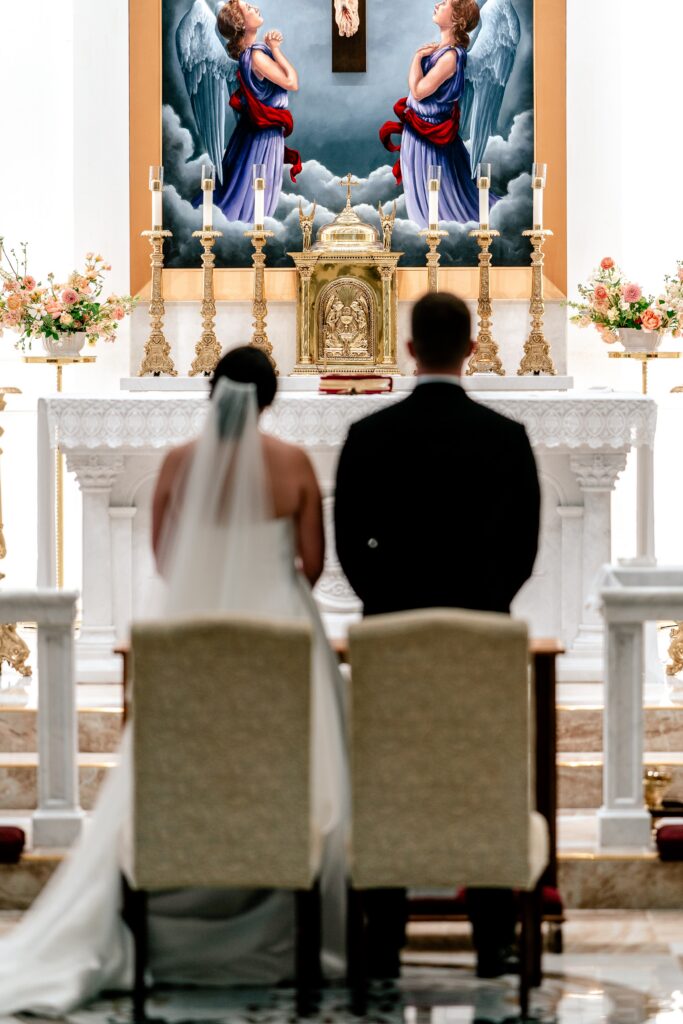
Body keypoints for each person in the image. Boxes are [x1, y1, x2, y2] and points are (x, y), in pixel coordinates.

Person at [0, 347, 348, 1015]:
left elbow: (167, 561)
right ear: (269, 399)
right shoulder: (295, 466)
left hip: (191, 640)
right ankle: (289, 916)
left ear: (212, 393)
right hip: (282, 637)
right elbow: (311, 564)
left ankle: (167, 895)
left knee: (187, 765)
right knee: (291, 769)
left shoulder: (177, 465)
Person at [334, 291, 541, 978]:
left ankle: (384, 936)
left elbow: (349, 543)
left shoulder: (368, 436)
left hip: (390, 630)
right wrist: (485, 604)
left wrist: (387, 605)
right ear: (472, 350)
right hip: (481, 629)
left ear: (408, 350)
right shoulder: (505, 438)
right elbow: (523, 544)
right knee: (483, 768)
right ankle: (492, 937)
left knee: (386, 771)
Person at [380, 0, 490, 227]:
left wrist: (417, 58)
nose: (438, 4)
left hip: (431, 139)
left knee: (436, 198)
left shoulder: (450, 57)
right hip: (418, 133)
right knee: (420, 191)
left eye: (446, 3)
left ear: (457, 19)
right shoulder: (440, 51)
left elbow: (418, 91)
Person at [211, 0, 301, 222]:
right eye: (249, 8)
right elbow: (292, 82)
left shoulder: (248, 55)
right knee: (257, 193)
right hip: (264, 136)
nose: (256, 8)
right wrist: (276, 50)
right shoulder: (256, 56)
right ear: (241, 24)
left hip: (258, 133)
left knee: (253, 192)